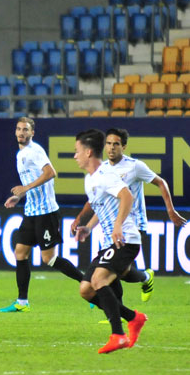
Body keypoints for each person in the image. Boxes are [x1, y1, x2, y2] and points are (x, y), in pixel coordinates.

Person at [72, 128, 187, 302]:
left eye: (116, 144)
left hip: (134, 224)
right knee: (120, 271)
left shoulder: (134, 166)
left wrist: (170, 210)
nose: (111, 148)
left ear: (124, 147)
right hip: (112, 226)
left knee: (111, 270)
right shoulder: (101, 170)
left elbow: (161, 182)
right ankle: (142, 282)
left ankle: (119, 311)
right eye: (108, 144)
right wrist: (86, 224)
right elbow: (99, 202)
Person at [72, 129, 147, 354]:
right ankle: (134, 318)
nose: (74, 156)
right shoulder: (90, 180)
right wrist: (88, 227)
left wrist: (117, 225)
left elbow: (127, 196)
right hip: (108, 243)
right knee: (86, 290)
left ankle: (118, 335)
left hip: (125, 239)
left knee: (99, 279)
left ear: (88, 152)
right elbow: (101, 207)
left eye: (76, 151)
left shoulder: (106, 175)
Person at [0, 117, 84, 313]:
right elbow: (31, 181)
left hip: (46, 212)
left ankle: (89, 283)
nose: (21, 133)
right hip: (31, 211)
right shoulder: (20, 154)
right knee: (20, 253)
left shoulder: (34, 151)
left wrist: (25, 188)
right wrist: (19, 197)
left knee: (49, 259)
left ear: (32, 133)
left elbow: (50, 172)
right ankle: (22, 302)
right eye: (19, 129)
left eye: (25, 130)